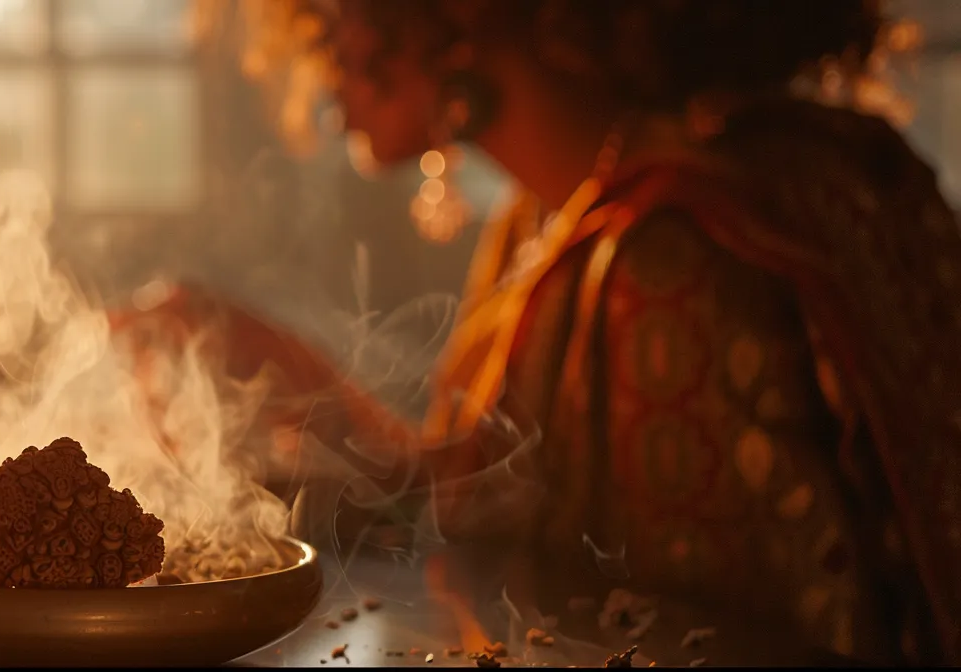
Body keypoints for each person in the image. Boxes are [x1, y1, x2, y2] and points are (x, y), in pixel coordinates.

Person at [124, 0, 961, 665]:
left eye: (334, 10)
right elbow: (491, 493)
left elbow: (690, 633)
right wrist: (290, 372)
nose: (317, 47)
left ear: (465, 13)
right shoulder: (553, 218)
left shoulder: (672, 258)